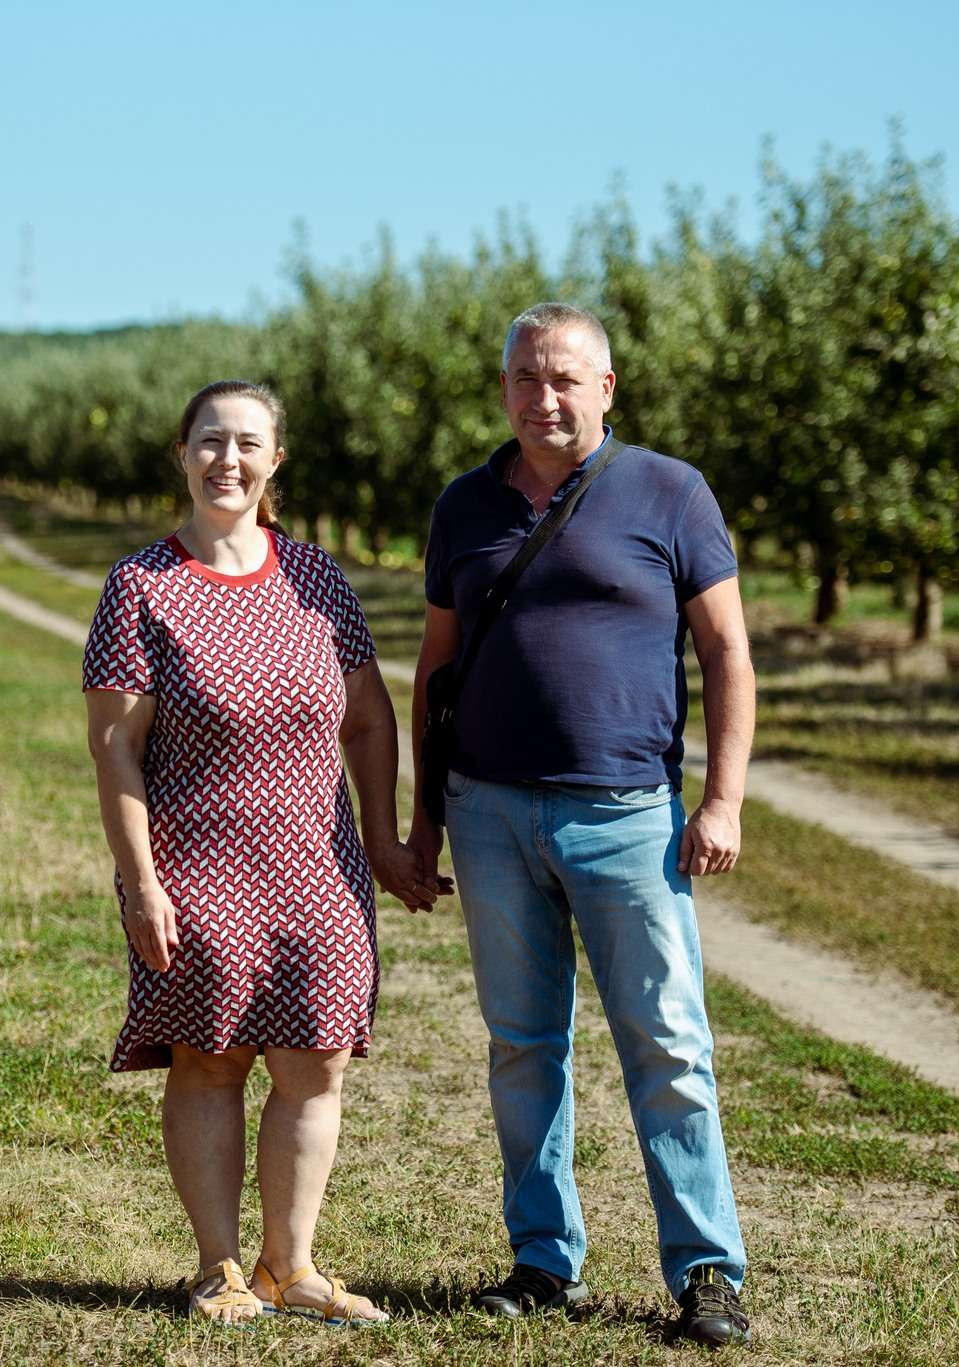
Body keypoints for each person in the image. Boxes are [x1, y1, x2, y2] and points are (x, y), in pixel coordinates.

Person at [405, 304, 756, 1347]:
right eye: (523, 376)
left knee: (667, 1044)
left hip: (627, 817)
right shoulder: (463, 505)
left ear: (606, 386)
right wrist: (422, 821)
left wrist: (722, 799)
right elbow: (434, 671)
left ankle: (705, 1271)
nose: (542, 396)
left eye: (563, 377)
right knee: (521, 1046)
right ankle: (541, 1256)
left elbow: (728, 654)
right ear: (503, 387)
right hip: (488, 810)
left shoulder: (670, 490)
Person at [84, 380, 442, 1325]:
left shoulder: (317, 578)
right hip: (198, 868)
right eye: (209, 442)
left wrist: (380, 838)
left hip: (317, 870)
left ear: (276, 460)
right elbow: (115, 746)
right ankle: (219, 1267)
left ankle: (295, 1267)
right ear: (181, 453)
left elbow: (367, 719)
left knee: (317, 1064)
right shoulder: (140, 586)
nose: (227, 460)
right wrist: (139, 882)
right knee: (210, 1060)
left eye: (247, 443)